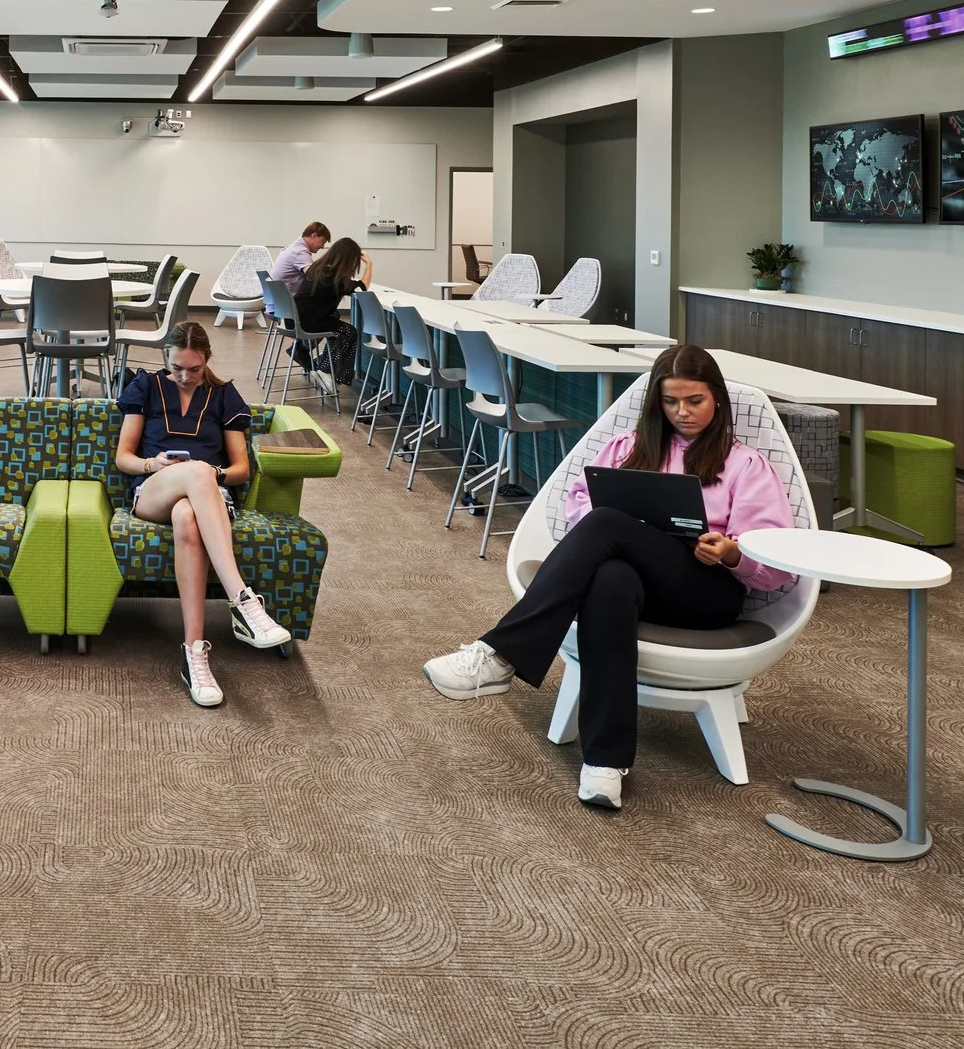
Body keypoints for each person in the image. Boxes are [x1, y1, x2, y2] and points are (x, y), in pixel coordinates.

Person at [421, 344, 794, 811]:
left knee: (607, 523)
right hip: (636, 578)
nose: (683, 412)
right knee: (610, 581)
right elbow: (577, 506)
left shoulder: (744, 464)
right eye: (671, 401)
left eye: (694, 401)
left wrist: (732, 551)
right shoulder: (627, 449)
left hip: (707, 589)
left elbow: (778, 559)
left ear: (716, 398)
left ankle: (502, 653)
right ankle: (605, 762)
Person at [113, 321, 293, 707]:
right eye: (177, 367)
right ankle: (243, 600)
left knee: (187, 516)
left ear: (207, 360)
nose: (185, 376)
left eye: (194, 369)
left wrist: (216, 474)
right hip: (152, 491)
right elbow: (123, 458)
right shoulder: (145, 386)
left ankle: (195, 655)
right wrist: (154, 464)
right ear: (166, 358)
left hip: (208, 497)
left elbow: (241, 468)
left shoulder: (224, 395)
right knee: (194, 473)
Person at [291, 236, 364, 395]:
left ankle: (323, 367)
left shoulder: (319, 267)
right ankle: (328, 373)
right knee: (349, 332)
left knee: (336, 319)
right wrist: (370, 265)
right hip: (309, 321)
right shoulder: (333, 278)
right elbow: (363, 287)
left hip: (296, 317)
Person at [269, 221, 330, 295]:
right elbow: (313, 277)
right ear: (314, 235)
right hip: (290, 301)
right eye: (322, 242)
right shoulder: (299, 252)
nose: (322, 246)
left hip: (279, 300)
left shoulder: (293, 247)